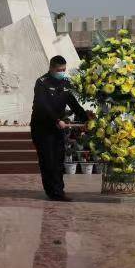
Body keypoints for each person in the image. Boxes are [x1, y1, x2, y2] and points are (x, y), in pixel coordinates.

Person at [30, 55, 90, 202]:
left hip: (57, 128)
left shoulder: (65, 82)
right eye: (59, 70)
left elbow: (73, 104)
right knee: (48, 161)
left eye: (64, 69)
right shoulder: (42, 83)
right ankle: (53, 192)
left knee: (58, 160)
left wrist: (86, 119)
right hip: (42, 128)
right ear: (51, 68)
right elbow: (42, 106)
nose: (62, 72)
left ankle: (58, 191)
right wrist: (56, 119)